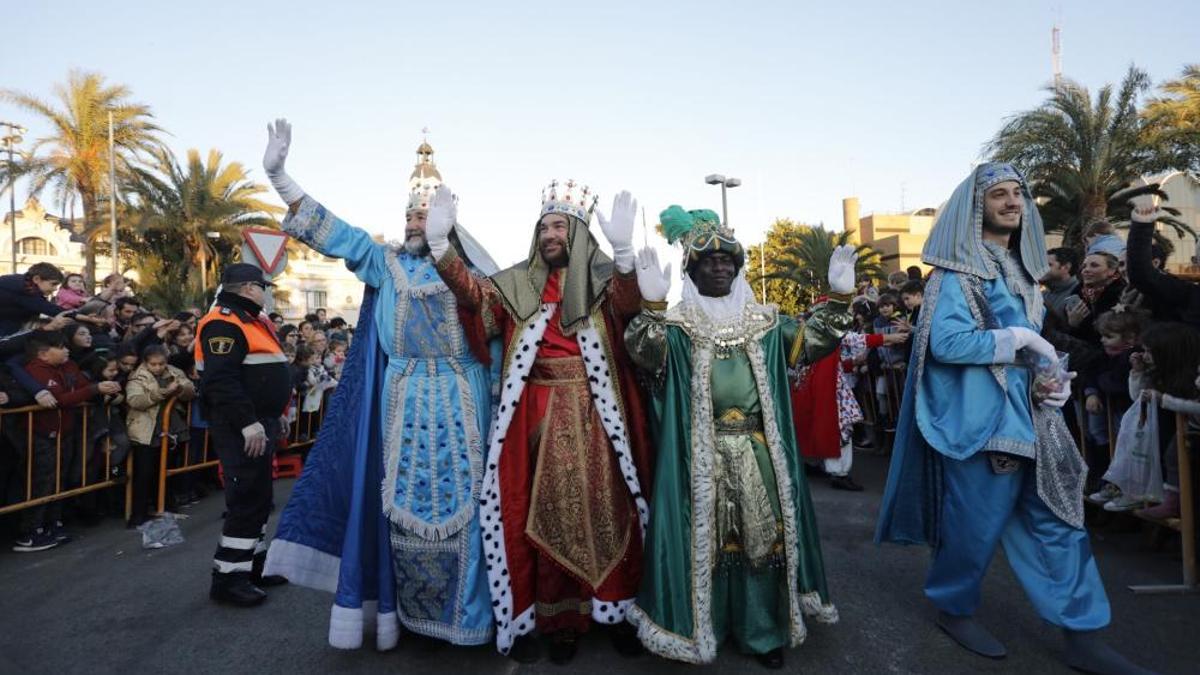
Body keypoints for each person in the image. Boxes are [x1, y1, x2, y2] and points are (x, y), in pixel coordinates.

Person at [875, 163, 1149, 675]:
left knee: (1061, 523)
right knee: (974, 528)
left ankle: (1082, 632)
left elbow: (1028, 350)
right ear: (975, 206)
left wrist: (1050, 376)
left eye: (1017, 193)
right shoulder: (956, 274)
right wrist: (1021, 340)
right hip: (981, 424)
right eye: (998, 194)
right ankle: (954, 609)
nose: (1011, 202)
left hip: (1032, 420)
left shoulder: (1024, 273)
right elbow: (947, 344)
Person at [261, 120, 502, 649]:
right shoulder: (385, 262)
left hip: (463, 395)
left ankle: (469, 617)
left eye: (426, 214)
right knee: (399, 506)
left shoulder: (475, 270)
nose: (416, 221)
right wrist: (281, 178)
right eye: (411, 214)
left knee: (469, 507)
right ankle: (406, 614)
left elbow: (492, 316)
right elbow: (338, 233)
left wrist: (445, 246)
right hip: (403, 393)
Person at [428, 180, 653, 664]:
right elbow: (472, 294)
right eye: (544, 226)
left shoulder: (603, 279)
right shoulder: (516, 284)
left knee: (611, 513)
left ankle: (616, 609)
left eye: (559, 226)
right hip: (540, 419)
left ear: (576, 231)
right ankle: (562, 621)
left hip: (600, 418)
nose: (550, 234)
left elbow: (633, 306)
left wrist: (625, 252)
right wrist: (440, 247)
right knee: (547, 515)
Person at [623, 207, 851, 668]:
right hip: (697, 457)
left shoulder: (765, 323)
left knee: (759, 544)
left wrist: (840, 302)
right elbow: (643, 354)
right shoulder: (678, 326)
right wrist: (649, 308)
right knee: (704, 546)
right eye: (709, 260)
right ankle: (706, 626)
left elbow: (810, 342)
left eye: (728, 259)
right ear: (692, 268)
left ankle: (761, 632)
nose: (721, 265)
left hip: (756, 451)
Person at [196, 262, 293, 607]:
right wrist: (248, 422)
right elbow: (220, 381)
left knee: (259, 497)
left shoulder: (250, 320)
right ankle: (228, 578)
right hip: (240, 425)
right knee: (246, 500)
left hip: (258, 420)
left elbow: (264, 372)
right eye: (263, 286)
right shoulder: (223, 321)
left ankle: (254, 566)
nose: (266, 292)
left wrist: (274, 414)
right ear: (250, 288)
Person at [15, 331, 120, 551]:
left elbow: (84, 387)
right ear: (43, 354)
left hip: (67, 433)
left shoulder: (69, 365)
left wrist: (103, 390)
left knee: (59, 480)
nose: (67, 350)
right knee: (41, 482)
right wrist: (93, 389)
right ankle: (30, 532)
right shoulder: (35, 370)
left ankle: (53, 523)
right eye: (61, 347)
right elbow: (59, 399)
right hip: (41, 435)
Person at [125, 344, 195, 526]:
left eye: (161, 364)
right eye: (153, 364)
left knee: (166, 469)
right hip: (145, 429)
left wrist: (180, 388)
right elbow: (135, 400)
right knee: (144, 473)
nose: (157, 368)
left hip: (170, 427)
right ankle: (138, 514)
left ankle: (164, 505)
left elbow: (190, 391)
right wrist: (163, 392)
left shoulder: (174, 372)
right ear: (146, 363)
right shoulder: (137, 377)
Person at [0, 262, 68, 337]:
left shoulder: (27, 288)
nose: (55, 289)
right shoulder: (22, 290)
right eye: (53, 284)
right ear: (36, 279)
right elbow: (46, 307)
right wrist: (75, 315)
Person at [1042, 246, 1081, 326]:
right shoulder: (1044, 293)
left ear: (1066, 267)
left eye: (1049, 265)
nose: (1042, 269)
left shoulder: (1079, 293)